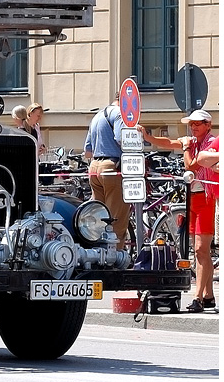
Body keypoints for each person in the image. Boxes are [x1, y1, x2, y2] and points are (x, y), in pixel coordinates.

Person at [142, 109, 217, 313]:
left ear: (208, 125)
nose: (194, 127)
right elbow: (166, 143)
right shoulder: (192, 142)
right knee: (200, 251)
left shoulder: (212, 142)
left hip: (206, 199)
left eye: (198, 123)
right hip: (193, 198)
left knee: (201, 249)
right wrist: (148, 137)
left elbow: (190, 167)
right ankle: (208, 296)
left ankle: (198, 297)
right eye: (191, 123)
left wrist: (185, 147)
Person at [83, 94, 130, 250]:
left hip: (94, 167)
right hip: (111, 167)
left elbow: (87, 151)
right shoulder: (119, 113)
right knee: (115, 219)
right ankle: (114, 259)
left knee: (99, 218)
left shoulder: (97, 116)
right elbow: (121, 138)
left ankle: (97, 255)